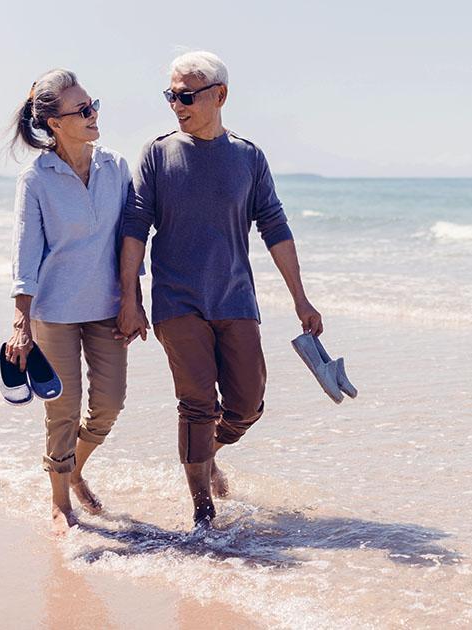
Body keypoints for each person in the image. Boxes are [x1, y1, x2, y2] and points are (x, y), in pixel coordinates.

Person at [117, 51, 322, 527]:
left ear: (220, 95)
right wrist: (130, 298)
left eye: (185, 96)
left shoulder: (248, 157)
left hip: (234, 298)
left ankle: (205, 454)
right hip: (176, 300)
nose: (176, 104)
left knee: (248, 404)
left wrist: (301, 298)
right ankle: (203, 515)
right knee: (196, 403)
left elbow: (275, 226)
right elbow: (135, 227)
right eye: (171, 95)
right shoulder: (157, 154)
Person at [6, 69, 136, 531]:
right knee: (61, 408)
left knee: (110, 404)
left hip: (107, 306)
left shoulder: (116, 166)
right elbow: (25, 250)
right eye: (82, 110)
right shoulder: (36, 178)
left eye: (93, 104)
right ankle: (61, 499)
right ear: (55, 123)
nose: (93, 114)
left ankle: (75, 468)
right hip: (55, 312)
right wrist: (21, 321)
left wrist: (132, 299)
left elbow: (130, 241)